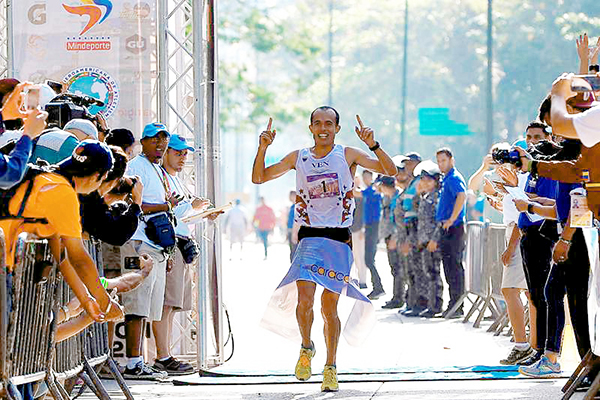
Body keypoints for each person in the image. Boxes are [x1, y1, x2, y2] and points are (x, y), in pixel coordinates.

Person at [253, 107, 397, 392]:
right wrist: (262, 148)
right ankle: (307, 347)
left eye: (328, 124)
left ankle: (331, 367)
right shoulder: (299, 157)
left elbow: (390, 171)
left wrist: (373, 144)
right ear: (310, 127)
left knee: (329, 306)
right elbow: (259, 178)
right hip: (308, 240)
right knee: (304, 300)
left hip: (338, 242)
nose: (323, 128)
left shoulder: (348, 155)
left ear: (336, 129)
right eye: (317, 123)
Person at [0, 140, 123, 323]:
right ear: (97, 176)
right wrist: (105, 302)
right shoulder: (63, 194)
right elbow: (79, 258)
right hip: (3, 269)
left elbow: (61, 253)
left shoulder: (47, 178)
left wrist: (86, 298)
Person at [153, 134, 215, 375]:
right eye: (178, 153)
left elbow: (183, 216)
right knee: (166, 303)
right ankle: (163, 355)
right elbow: (169, 215)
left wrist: (204, 213)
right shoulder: (161, 178)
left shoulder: (176, 181)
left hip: (181, 244)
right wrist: (195, 208)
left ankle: (165, 353)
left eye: (185, 154)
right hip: (169, 245)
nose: (182, 158)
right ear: (166, 152)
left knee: (172, 304)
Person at [120, 122, 174, 380]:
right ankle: (132, 362)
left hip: (155, 246)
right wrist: (164, 205)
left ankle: (139, 360)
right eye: (155, 139)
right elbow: (132, 202)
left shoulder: (156, 168)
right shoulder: (136, 166)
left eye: (164, 140)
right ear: (143, 141)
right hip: (138, 243)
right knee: (136, 306)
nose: (160, 144)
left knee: (148, 308)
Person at [428, 148, 467, 318]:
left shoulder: (454, 178)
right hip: (447, 228)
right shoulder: (446, 178)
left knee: (454, 268)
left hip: (454, 228)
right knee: (449, 269)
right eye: (438, 161)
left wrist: (452, 218)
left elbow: (462, 195)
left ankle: (457, 306)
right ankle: (453, 304)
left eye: (443, 160)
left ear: (451, 160)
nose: (440, 164)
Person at [399, 153, 428, 317]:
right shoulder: (411, 182)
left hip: (416, 224)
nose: (407, 167)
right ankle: (413, 301)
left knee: (418, 266)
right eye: (406, 164)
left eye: (410, 164)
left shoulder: (419, 181)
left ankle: (421, 301)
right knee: (411, 266)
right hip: (410, 224)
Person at [415, 161, 444, 318]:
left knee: (434, 273)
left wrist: (434, 239)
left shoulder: (436, 198)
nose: (425, 183)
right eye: (423, 179)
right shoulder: (426, 197)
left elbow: (439, 221)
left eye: (428, 180)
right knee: (427, 272)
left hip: (433, 242)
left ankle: (436, 304)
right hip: (425, 241)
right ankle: (429, 303)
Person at [378, 175, 403, 309]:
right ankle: (397, 296)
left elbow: (398, 219)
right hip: (389, 236)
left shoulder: (397, 197)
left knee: (398, 268)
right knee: (394, 268)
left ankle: (399, 297)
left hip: (395, 237)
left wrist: (395, 236)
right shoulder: (387, 197)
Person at [361, 169, 384, 299]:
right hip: (369, 227)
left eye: (367, 177)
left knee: (369, 259)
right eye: (364, 177)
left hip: (374, 226)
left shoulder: (374, 190)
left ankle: (378, 287)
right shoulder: (370, 190)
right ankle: (377, 287)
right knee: (368, 259)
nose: (365, 179)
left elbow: (356, 193)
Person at [349, 175, 367, 289]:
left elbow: (365, 212)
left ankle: (362, 281)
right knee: (351, 257)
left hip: (359, 229)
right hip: (348, 230)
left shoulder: (362, 195)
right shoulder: (347, 195)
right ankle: (352, 279)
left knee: (360, 256)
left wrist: (363, 229)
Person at [287, 190, 298, 260]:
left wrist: (295, 232)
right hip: (290, 230)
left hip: (295, 231)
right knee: (291, 248)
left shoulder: (297, 207)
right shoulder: (292, 207)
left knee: (294, 249)